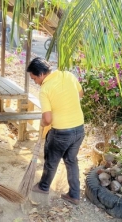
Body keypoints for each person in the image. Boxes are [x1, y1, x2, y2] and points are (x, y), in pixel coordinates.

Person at [27, 57, 85, 205]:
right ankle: (74, 195)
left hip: (61, 132)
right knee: (71, 161)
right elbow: (80, 93)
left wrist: (42, 122)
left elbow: (47, 119)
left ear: (41, 74)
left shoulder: (45, 89)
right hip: (79, 128)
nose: (35, 82)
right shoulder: (68, 75)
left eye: (34, 79)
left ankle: (43, 187)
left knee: (51, 161)